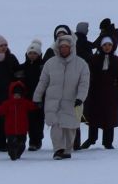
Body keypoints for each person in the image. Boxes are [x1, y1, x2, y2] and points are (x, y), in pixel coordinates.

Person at [33, 28, 90, 160]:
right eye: (62, 46)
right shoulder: (50, 64)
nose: (64, 49)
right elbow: (43, 82)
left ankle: (67, 150)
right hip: (54, 102)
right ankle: (58, 149)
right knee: (56, 127)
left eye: (66, 47)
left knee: (70, 128)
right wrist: (37, 97)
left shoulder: (81, 65)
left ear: (71, 47)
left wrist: (80, 98)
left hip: (72, 102)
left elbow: (84, 83)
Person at [81, 35, 118, 150]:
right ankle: (91, 139)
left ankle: (108, 142)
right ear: (100, 46)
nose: (107, 47)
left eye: (109, 45)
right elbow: (88, 77)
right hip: (95, 93)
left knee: (109, 118)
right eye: (104, 45)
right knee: (93, 117)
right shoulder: (93, 59)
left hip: (111, 94)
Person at [0, 78, 36, 161]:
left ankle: (18, 153)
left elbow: (32, 106)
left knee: (22, 144)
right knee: (11, 143)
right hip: (10, 129)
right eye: (15, 94)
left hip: (22, 128)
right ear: (12, 94)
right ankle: (12, 153)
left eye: (19, 94)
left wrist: (37, 105)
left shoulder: (25, 102)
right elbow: (0, 110)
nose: (17, 96)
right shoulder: (7, 103)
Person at [20, 39, 47, 151]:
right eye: (30, 53)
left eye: (35, 53)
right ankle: (28, 141)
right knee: (27, 121)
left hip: (40, 98)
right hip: (25, 98)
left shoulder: (43, 67)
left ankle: (36, 141)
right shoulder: (22, 67)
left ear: (39, 54)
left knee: (38, 121)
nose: (32, 55)